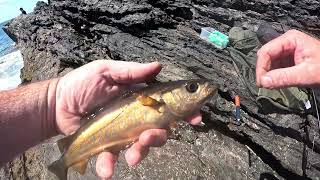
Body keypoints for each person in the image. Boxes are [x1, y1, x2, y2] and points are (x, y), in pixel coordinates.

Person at [0, 60, 202, 179]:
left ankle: (67, 160)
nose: (196, 90)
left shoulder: (165, 105)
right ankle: (67, 161)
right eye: (192, 88)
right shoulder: (155, 99)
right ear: (165, 96)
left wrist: (52, 103)